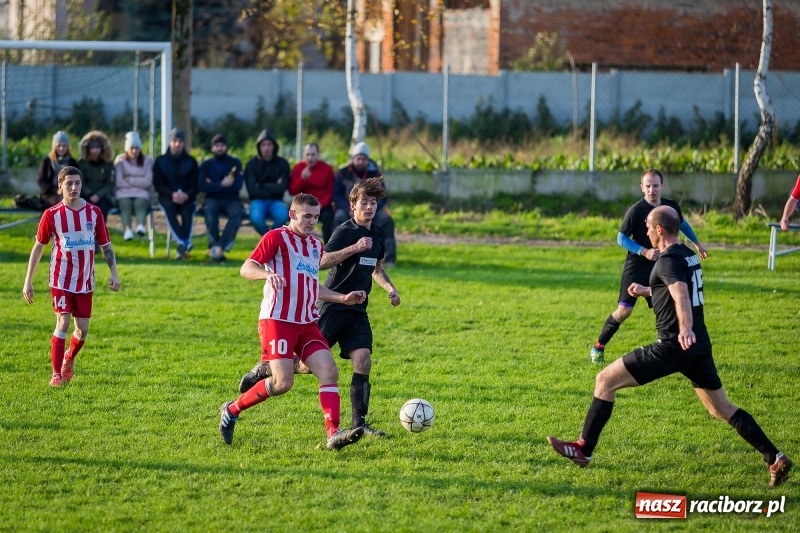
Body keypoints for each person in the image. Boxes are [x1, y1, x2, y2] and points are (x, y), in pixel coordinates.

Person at [547, 205, 793, 487]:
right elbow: (674, 286)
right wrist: (646, 291)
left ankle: (583, 449)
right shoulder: (686, 255)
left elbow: (681, 295)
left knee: (604, 380)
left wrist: (684, 328)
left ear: (660, 230)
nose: (647, 232)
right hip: (699, 346)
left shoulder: (665, 261)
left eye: (649, 228)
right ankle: (775, 457)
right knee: (721, 408)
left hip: (673, 346)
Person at [239, 177, 401, 436]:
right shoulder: (344, 232)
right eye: (364, 202)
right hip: (332, 307)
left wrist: (390, 289)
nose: (369, 208)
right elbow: (321, 262)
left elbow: (376, 268)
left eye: (373, 203)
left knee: (363, 360)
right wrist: (353, 248)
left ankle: (358, 423)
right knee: (303, 365)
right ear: (353, 204)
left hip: (356, 308)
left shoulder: (378, 233)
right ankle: (268, 367)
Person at [218, 193, 368, 451]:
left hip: (306, 322)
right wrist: (266, 274)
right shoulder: (276, 238)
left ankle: (333, 434)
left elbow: (312, 286)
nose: (312, 221)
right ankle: (232, 409)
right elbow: (246, 268)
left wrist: (343, 298)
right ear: (292, 214)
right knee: (282, 383)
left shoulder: (314, 245)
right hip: (277, 320)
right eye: (307, 216)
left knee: (329, 371)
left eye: (316, 217)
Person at [589, 168, 708, 364]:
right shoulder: (636, 210)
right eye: (648, 186)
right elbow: (621, 238)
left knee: (671, 302)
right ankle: (598, 346)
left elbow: (682, 224)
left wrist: (697, 243)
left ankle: (678, 346)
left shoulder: (670, 207)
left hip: (662, 265)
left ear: (662, 186)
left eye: (655, 185)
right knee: (624, 311)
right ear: (641, 188)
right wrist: (644, 251)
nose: (652, 190)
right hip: (637, 266)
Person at [22, 166, 121, 387]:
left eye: (77, 183)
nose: (74, 187)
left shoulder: (94, 213)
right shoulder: (51, 215)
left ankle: (69, 358)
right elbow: (38, 247)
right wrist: (28, 280)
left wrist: (114, 273)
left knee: (82, 329)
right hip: (61, 279)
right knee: (63, 321)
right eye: (69, 183)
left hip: (85, 281)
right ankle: (56, 374)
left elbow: (105, 245)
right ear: (60, 187)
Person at [333, 142, 397, 266]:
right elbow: (336, 195)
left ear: (368, 160)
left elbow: (383, 196)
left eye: (364, 159)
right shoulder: (342, 173)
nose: (361, 161)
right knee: (338, 218)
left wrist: (373, 207)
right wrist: (348, 208)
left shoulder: (376, 175)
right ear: (353, 159)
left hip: (372, 209)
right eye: (359, 158)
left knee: (387, 221)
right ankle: (336, 255)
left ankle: (389, 259)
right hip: (348, 208)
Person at [198, 134, 244, 263]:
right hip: (212, 199)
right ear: (212, 148)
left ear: (226, 147)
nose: (219, 148)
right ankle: (215, 248)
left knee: (237, 213)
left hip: (232, 199)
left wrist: (212, 184)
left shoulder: (235, 163)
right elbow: (201, 186)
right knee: (210, 213)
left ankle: (219, 247)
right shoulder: (206, 165)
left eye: (222, 145)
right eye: (217, 146)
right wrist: (221, 184)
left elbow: (237, 185)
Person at [154, 128, 198, 260]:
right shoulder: (160, 161)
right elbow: (158, 185)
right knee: (169, 209)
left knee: (187, 211)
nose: (177, 144)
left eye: (180, 141)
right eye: (174, 141)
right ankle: (185, 242)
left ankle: (182, 245)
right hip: (167, 196)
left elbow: (195, 186)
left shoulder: (191, 161)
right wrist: (172, 194)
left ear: (184, 143)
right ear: (170, 142)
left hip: (187, 196)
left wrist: (186, 195)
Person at [244, 129, 290, 235]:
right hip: (257, 201)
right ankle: (269, 241)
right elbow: (252, 190)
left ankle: (269, 241)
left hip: (277, 201)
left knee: (283, 216)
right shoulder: (251, 165)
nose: (266, 148)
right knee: (256, 218)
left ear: (274, 146)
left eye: (269, 144)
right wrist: (274, 186)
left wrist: (260, 185)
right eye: (263, 145)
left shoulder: (282, 164)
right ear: (259, 147)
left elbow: (282, 187)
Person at [289, 142, 335, 242]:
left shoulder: (327, 169)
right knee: (297, 217)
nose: (310, 158)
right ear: (304, 155)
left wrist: (320, 205)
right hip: (304, 206)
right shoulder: (298, 168)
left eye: (313, 154)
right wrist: (302, 179)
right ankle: (296, 243)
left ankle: (328, 248)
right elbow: (292, 191)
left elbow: (330, 193)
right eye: (308, 154)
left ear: (318, 155)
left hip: (322, 206)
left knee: (329, 217)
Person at [114, 131, 154, 241]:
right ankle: (127, 230)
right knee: (125, 205)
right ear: (127, 148)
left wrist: (129, 178)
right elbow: (118, 182)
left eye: (137, 148)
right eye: (131, 148)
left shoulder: (147, 161)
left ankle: (141, 226)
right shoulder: (120, 160)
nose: (134, 151)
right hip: (123, 193)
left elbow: (148, 181)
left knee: (140, 204)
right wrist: (139, 180)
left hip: (142, 193)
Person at [77, 130, 116, 220]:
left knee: (101, 212)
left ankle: (100, 232)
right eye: (92, 148)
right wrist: (90, 194)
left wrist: (98, 195)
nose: (95, 150)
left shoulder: (108, 164)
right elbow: (79, 181)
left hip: (103, 197)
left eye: (98, 147)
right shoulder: (81, 163)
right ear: (87, 149)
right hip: (86, 196)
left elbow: (110, 184)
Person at [38, 131, 78, 209]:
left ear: (68, 147)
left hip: (68, 193)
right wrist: (56, 190)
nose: (61, 148)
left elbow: (77, 179)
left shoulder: (72, 162)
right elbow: (41, 181)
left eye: (64, 146)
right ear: (54, 146)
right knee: (62, 202)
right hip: (50, 195)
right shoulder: (47, 161)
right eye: (59, 145)